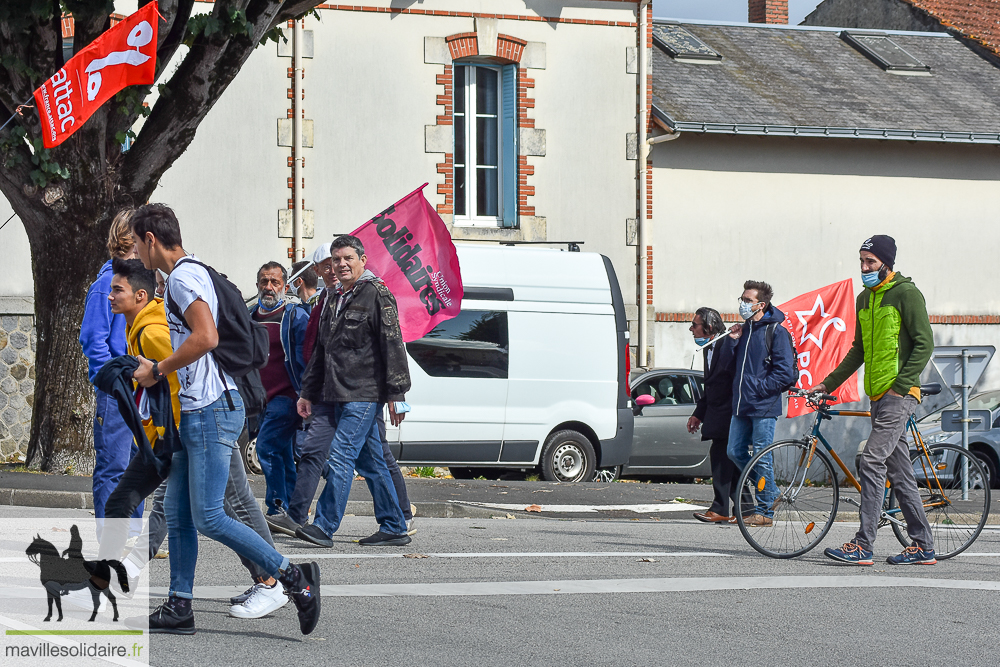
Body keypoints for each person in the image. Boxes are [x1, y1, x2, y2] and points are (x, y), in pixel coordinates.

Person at [129, 203, 320, 635]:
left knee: (210, 515)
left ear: (151, 239)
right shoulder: (187, 273)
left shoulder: (182, 277)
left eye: (138, 243)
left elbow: (206, 337)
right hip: (196, 409)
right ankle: (180, 604)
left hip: (211, 410)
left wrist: (157, 369)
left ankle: (293, 578)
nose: (137, 253)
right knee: (177, 514)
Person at [812, 235, 936, 566]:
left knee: (870, 460)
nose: (864, 268)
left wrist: (901, 386)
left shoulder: (906, 294)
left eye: (870, 262)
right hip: (877, 396)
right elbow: (858, 351)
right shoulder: (864, 298)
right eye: (862, 261)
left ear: (886, 263)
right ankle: (923, 545)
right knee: (901, 473)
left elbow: (925, 344)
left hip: (899, 395)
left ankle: (864, 544)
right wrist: (828, 384)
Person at [294, 234, 412, 548]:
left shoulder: (377, 293)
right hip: (334, 391)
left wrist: (396, 394)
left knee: (342, 454)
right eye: (336, 259)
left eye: (348, 258)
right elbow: (322, 350)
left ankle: (324, 526)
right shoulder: (332, 297)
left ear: (363, 260)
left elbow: (392, 344)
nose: (341, 264)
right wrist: (308, 392)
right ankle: (395, 525)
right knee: (371, 461)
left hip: (364, 392)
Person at [101, 258, 180, 575]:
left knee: (219, 515)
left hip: (173, 438)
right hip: (158, 441)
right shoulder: (138, 327)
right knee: (119, 503)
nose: (111, 296)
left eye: (117, 290)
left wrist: (167, 435)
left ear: (140, 296)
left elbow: (180, 380)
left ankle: (274, 576)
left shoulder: (150, 333)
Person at [80, 210, 143, 537]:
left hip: (141, 387)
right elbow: (93, 339)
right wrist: (115, 378)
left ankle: (131, 535)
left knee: (138, 465)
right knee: (114, 467)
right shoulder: (106, 284)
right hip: (118, 390)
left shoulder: (136, 285)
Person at [726, 280, 796, 527]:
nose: (743, 304)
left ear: (761, 304)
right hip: (742, 405)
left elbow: (786, 373)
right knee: (734, 451)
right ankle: (772, 492)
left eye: (747, 300)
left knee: (761, 457)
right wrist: (734, 341)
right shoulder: (745, 330)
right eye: (742, 299)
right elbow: (735, 367)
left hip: (763, 405)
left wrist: (759, 389)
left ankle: (764, 512)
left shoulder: (776, 331)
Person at [249, 262, 309, 535]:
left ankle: (275, 508)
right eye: (264, 281)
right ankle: (294, 512)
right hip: (260, 398)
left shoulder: (294, 316)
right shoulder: (250, 316)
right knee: (283, 454)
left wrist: (307, 393)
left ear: (285, 286)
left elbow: (307, 358)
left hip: (288, 396)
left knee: (267, 448)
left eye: (274, 282)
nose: (269, 287)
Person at [687, 307, 740, 523]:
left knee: (721, 461)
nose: (691, 329)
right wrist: (698, 414)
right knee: (729, 463)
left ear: (709, 327)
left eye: (695, 325)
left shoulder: (726, 344)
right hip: (717, 415)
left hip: (727, 415)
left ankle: (721, 508)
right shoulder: (709, 348)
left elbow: (728, 381)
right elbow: (710, 387)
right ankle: (745, 508)